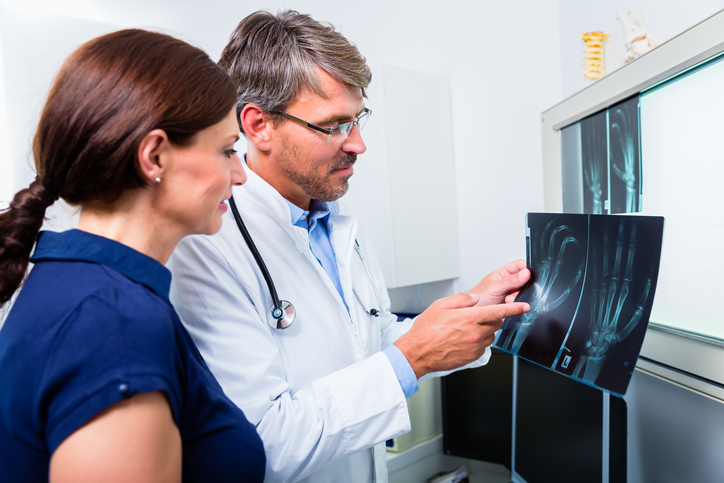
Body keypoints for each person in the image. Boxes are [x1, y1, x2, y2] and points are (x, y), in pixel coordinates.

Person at [168, 10, 530, 483]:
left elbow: (370, 347)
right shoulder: (206, 247)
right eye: (334, 125)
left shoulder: (333, 225)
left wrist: (465, 314)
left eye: (358, 119)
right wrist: (413, 358)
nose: (358, 144)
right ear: (258, 126)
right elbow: (260, 443)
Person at [0, 29, 265, 482]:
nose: (240, 175)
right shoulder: (112, 322)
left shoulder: (85, 288)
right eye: (226, 150)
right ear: (155, 156)